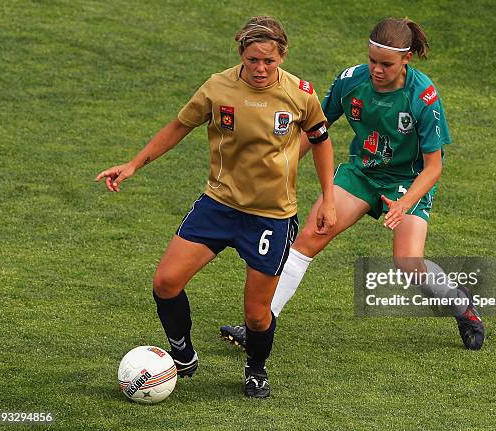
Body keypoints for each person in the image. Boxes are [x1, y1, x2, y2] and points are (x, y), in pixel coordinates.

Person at [95, 16, 336, 398]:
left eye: (268, 61)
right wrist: (133, 164)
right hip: (218, 206)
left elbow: (320, 140)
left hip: (270, 218)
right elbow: (178, 126)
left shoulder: (300, 94)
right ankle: (182, 354)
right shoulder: (217, 87)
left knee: (257, 314)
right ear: (241, 52)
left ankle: (256, 368)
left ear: (282, 57)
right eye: (253, 59)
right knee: (165, 283)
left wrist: (329, 196)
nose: (260, 68)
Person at [220, 17, 485, 352]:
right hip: (362, 174)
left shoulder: (423, 96)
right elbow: (316, 127)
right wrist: (282, 168)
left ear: (406, 60)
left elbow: (433, 167)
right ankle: (259, 326)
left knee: (407, 264)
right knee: (308, 239)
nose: (376, 69)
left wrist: (405, 203)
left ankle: (460, 303)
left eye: (386, 64)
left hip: (408, 181)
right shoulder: (351, 81)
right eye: (372, 60)